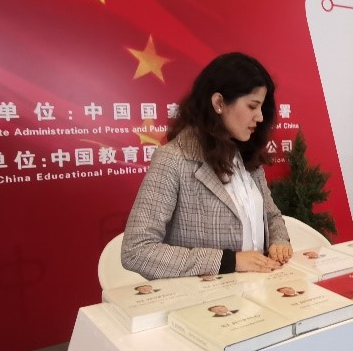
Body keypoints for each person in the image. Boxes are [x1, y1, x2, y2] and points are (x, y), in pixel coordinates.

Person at [122, 52, 293, 279]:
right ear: (219, 102)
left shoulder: (246, 157)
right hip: (206, 297)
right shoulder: (173, 159)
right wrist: (229, 261)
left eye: (262, 108)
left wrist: (279, 240)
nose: (260, 117)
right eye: (252, 106)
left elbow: (271, 216)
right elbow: (136, 250)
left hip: (259, 290)